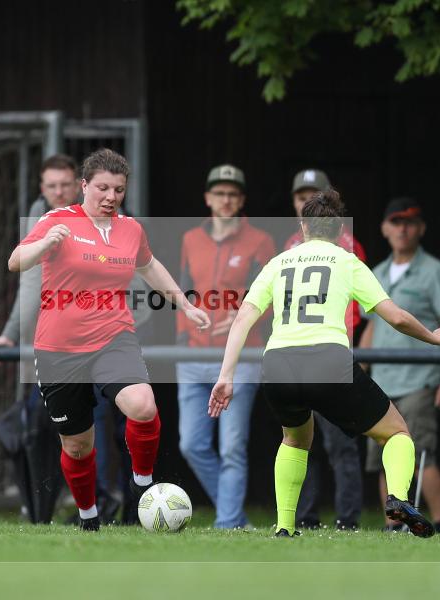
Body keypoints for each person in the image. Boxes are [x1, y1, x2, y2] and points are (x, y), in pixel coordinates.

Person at [210, 189, 440, 538]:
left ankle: (285, 526)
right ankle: (398, 499)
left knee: (294, 440)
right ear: (340, 229)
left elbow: (243, 319)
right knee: (397, 433)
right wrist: (433, 337)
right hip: (327, 361)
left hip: (278, 364)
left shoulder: (278, 263)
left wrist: (226, 376)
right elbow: (395, 317)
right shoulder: (347, 262)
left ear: (303, 226)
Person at [8, 148, 211, 531]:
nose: (110, 197)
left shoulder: (130, 228)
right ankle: (88, 516)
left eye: (118, 190)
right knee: (77, 446)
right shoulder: (57, 220)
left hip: (113, 337)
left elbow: (150, 267)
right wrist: (45, 244)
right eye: (102, 188)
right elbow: (16, 261)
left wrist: (185, 305)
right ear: (84, 186)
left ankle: (142, 484)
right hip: (59, 350)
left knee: (143, 406)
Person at [176, 164, 275, 529]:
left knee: (232, 446)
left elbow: (272, 296)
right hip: (194, 354)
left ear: (242, 200)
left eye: (233, 194)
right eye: (219, 193)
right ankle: (235, 515)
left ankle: (228, 523)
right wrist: (183, 335)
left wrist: (243, 317)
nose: (226, 200)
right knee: (191, 444)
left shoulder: (261, 241)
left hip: (241, 356)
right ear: (208, 198)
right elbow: (182, 292)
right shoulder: (190, 239)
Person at [0, 154, 81, 524]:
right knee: (41, 427)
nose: (59, 191)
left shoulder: (102, 217)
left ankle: (101, 504)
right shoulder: (39, 217)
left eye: (65, 184)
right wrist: (10, 336)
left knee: (92, 430)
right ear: (42, 188)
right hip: (48, 348)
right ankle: (45, 508)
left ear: (78, 185)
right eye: (52, 185)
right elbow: (29, 284)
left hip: (92, 344)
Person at [359, 197, 440, 533]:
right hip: (382, 381)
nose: (403, 229)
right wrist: (359, 372)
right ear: (384, 229)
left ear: (421, 228)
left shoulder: (436, 271)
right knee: (384, 458)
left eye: (410, 222)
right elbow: (371, 328)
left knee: (421, 454)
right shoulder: (376, 273)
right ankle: (393, 527)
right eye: (396, 222)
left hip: (420, 379)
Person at [288, 169, 366, 531]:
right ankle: (305, 517)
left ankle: (347, 519)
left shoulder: (347, 245)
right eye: (300, 195)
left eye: (314, 194)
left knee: (340, 443)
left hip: (332, 355)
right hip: (296, 356)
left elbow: (355, 306)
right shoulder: (290, 244)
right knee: (300, 441)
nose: (306, 201)